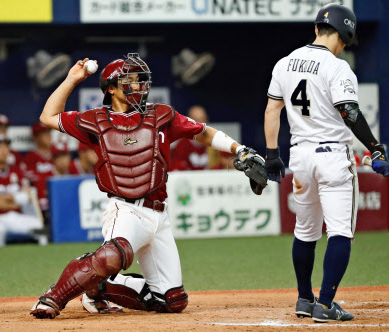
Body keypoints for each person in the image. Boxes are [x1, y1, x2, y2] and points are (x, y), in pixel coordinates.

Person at [30, 53, 267, 319]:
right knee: (111, 257)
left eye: (140, 80)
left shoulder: (161, 114)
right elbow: (48, 117)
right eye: (130, 81)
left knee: (172, 301)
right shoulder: (95, 119)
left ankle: (99, 286)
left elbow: (203, 132)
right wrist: (72, 79)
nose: (139, 86)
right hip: (125, 210)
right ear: (111, 88)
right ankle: (53, 298)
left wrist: (240, 149)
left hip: (158, 214)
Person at [264, 4, 389, 323]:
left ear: (317, 29)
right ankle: (326, 304)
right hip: (333, 156)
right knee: (339, 232)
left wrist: (271, 154)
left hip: (300, 158)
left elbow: (271, 111)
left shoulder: (284, 63)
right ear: (345, 35)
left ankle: (305, 299)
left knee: (305, 231)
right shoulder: (338, 67)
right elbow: (349, 112)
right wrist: (375, 148)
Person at [0, 135, 44, 247]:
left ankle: (43, 259)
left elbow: (27, 196)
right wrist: (14, 200)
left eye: (6, 146)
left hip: (13, 216)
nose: (3, 150)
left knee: (38, 227)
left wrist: (6, 198)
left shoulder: (16, 171)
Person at [24, 123, 55, 211]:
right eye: (44, 134)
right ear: (35, 138)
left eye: (49, 133)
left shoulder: (57, 153)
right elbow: (32, 180)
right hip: (41, 197)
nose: (48, 136)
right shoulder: (30, 157)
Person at [169, 105, 209, 171]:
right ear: (189, 122)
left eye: (202, 119)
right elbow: (176, 172)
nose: (200, 123)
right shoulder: (180, 146)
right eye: (196, 120)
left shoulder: (214, 145)